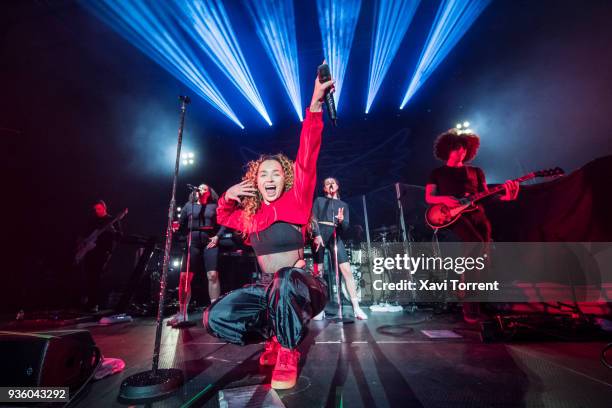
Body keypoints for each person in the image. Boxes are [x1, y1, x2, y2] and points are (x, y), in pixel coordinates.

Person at [203, 67, 333, 390]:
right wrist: (228, 198)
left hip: (303, 285)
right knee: (214, 316)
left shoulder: (298, 198)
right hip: (267, 290)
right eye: (263, 174)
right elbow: (223, 218)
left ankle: (288, 351)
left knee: (285, 278)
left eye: (276, 173)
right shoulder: (251, 217)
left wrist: (316, 102)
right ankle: (273, 336)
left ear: (286, 178)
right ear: (255, 182)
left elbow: (309, 148)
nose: (270, 178)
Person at [424, 129, 519, 322]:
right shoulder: (437, 173)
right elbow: (429, 197)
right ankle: (468, 304)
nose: (462, 152)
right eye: (458, 148)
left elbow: (488, 196)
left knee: (483, 257)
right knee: (475, 246)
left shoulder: (476, 172)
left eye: (465, 149)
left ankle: (476, 303)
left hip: (478, 216)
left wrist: (506, 197)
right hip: (453, 217)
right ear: (447, 150)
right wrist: (446, 199)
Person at [168, 184, 225, 326]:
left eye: (204, 188)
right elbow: (181, 226)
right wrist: (175, 226)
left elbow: (225, 222)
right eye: (199, 188)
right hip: (191, 241)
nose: (200, 190)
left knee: (212, 275)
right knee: (184, 277)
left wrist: (218, 236)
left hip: (209, 241)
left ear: (209, 192)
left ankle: (214, 312)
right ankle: (182, 313)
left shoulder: (214, 206)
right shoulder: (189, 206)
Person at [311, 177, 367, 320]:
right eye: (327, 183)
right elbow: (313, 219)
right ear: (324, 188)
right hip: (320, 236)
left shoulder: (343, 205)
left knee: (347, 271)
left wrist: (342, 221)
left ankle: (356, 308)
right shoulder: (319, 201)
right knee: (319, 273)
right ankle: (319, 309)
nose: (331, 184)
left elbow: (346, 227)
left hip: (335, 236)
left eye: (333, 182)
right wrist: (317, 234)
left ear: (337, 186)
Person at [79, 200, 123, 313]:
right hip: (90, 251)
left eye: (99, 208)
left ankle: (95, 304)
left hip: (103, 251)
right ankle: (88, 302)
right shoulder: (92, 220)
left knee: (97, 276)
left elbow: (120, 237)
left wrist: (112, 230)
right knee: (88, 276)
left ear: (104, 208)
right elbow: (84, 234)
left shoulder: (111, 220)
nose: (97, 211)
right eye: (95, 209)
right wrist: (82, 242)